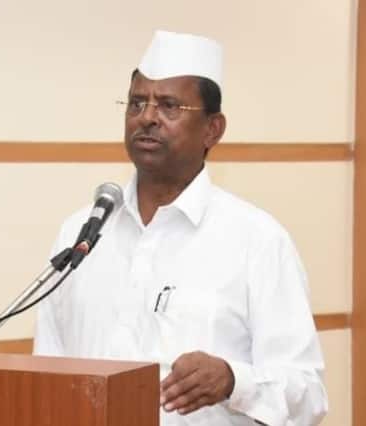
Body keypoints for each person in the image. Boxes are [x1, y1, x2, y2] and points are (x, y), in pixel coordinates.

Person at [33, 30, 328, 426]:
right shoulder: (81, 235)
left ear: (212, 129)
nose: (147, 117)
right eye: (137, 103)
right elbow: (47, 375)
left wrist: (234, 381)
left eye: (169, 106)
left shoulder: (256, 239)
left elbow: (307, 394)